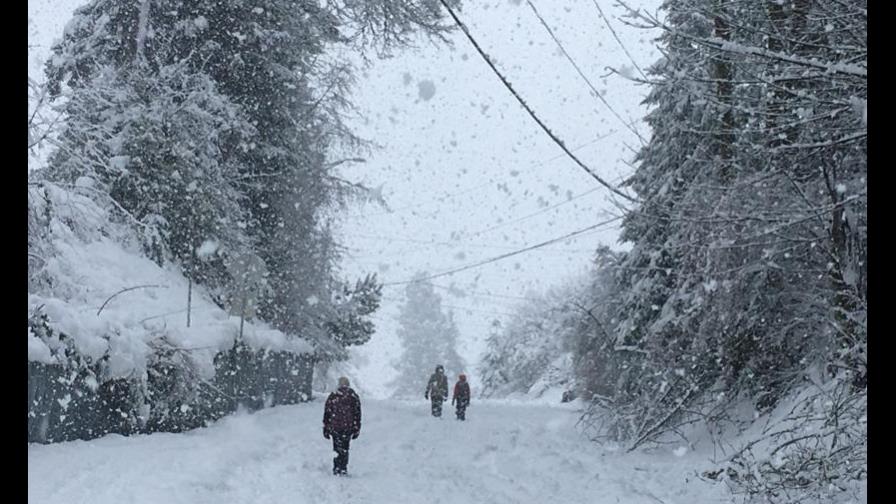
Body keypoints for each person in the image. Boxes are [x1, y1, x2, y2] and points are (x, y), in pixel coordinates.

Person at [323, 376, 361, 476]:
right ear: (348, 384)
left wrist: (326, 428)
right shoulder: (353, 396)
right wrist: (357, 428)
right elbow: (357, 414)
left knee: (336, 448)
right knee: (345, 448)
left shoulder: (333, 396)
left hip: (335, 427)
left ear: (339, 384)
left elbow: (327, 413)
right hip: (348, 427)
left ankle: (336, 468)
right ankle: (343, 468)